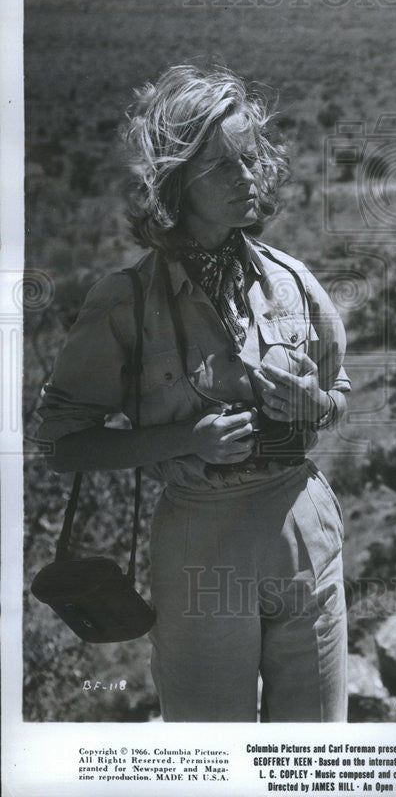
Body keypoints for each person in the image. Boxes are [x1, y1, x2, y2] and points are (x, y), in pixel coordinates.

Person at [37, 64, 350, 722]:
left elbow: (338, 389)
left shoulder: (290, 281)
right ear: (174, 183)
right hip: (201, 543)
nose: (246, 179)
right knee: (213, 755)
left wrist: (314, 405)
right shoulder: (126, 299)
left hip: (303, 531)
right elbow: (63, 444)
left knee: (316, 754)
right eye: (221, 167)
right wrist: (187, 439)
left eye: (250, 159)